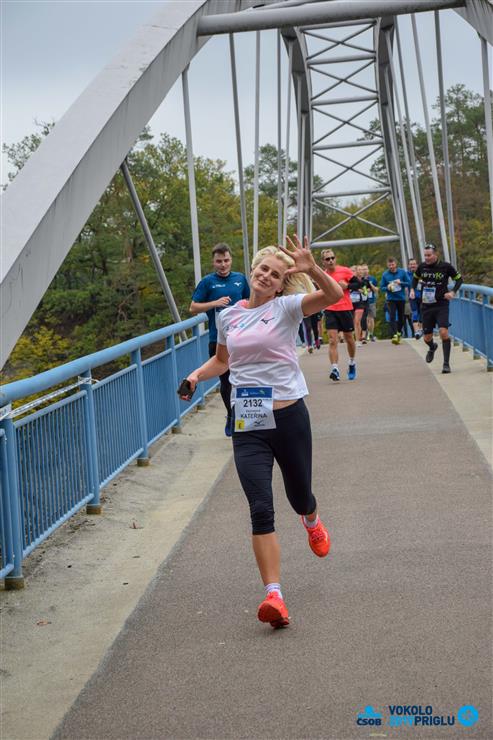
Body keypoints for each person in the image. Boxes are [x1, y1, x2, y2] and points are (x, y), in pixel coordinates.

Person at [181, 236, 343, 628]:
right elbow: (223, 361)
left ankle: (311, 519)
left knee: (299, 496)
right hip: (248, 422)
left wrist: (312, 267)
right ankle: (274, 596)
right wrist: (196, 375)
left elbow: (333, 296)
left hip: (288, 418)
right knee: (260, 507)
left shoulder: (287, 308)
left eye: (275, 274)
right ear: (252, 269)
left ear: (282, 283)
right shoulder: (229, 316)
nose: (266, 276)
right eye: (262, 269)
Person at [190, 243, 250, 436]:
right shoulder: (208, 282)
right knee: (226, 381)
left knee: (244, 379)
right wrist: (214, 303)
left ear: (231, 260)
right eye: (219, 261)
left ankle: (246, 415)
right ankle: (232, 415)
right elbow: (193, 307)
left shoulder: (240, 279)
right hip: (218, 339)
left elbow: (252, 303)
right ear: (213, 262)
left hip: (242, 338)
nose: (223, 265)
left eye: (226, 260)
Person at [411, 243, 463, 373]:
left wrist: (452, 292)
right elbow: (415, 278)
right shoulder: (422, 267)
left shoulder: (445, 266)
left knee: (443, 332)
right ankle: (432, 347)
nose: (427, 258)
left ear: (435, 254)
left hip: (441, 304)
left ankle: (446, 364)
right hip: (426, 305)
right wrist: (412, 289)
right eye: (425, 255)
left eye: (429, 255)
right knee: (427, 338)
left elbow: (459, 279)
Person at [321, 249, 358, 381]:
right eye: (327, 259)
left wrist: (347, 286)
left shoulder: (345, 271)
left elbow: (359, 284)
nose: (331, 261)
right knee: (332, 340)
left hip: (345, 308)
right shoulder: (323, 275)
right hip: (330, 309)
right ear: (323, 262)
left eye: (332, 258)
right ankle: (335, 369)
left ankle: (352, 362)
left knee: (349, 338)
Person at [380, 256, 410, 344]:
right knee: (392, 316)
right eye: (389, 265)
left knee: (401, 317)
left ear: (396, 264)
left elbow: (409, 283)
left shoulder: (402, 272)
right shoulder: (385, 274)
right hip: (391, 299)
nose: (391, 267)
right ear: (387, 265)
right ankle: (395, 335)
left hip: (401, 298)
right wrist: (388, 287)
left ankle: (399, 332)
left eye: (392, 265)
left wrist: (401, 283)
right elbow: (382, 287)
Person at [362, 264, 378, 341]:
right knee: (364, 319)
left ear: (368, 270)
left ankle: (371, 334)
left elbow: (376, 290)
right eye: (363, 269)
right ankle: (365, 334)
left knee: (371, 318)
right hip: (362, 302)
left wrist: (370, 284)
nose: (365, 271)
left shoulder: (372, 279)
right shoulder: (359, 279)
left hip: (371, 301)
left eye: (366, 269)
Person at [407, 258, 422, 339]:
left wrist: (422, 282)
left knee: (422, 313)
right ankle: (416, 332)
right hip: (412, 297)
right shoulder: (406, 275)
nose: (412, 266)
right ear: (408, 266)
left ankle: (421, 330)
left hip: (423, 297)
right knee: (415, 313)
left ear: (417, 265)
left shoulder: (422, 273)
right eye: (411, 264)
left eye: (414, 264)